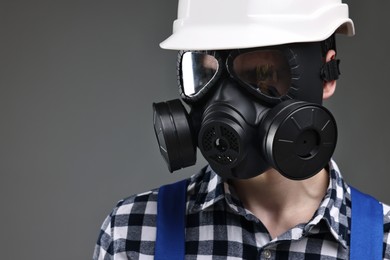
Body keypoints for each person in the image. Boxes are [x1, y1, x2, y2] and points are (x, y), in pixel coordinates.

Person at [93, 0, 390, 259]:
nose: (225, 102)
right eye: (206, 74)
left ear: (326, 76)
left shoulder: (385, 244)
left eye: (263, 75)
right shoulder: (134, 234)